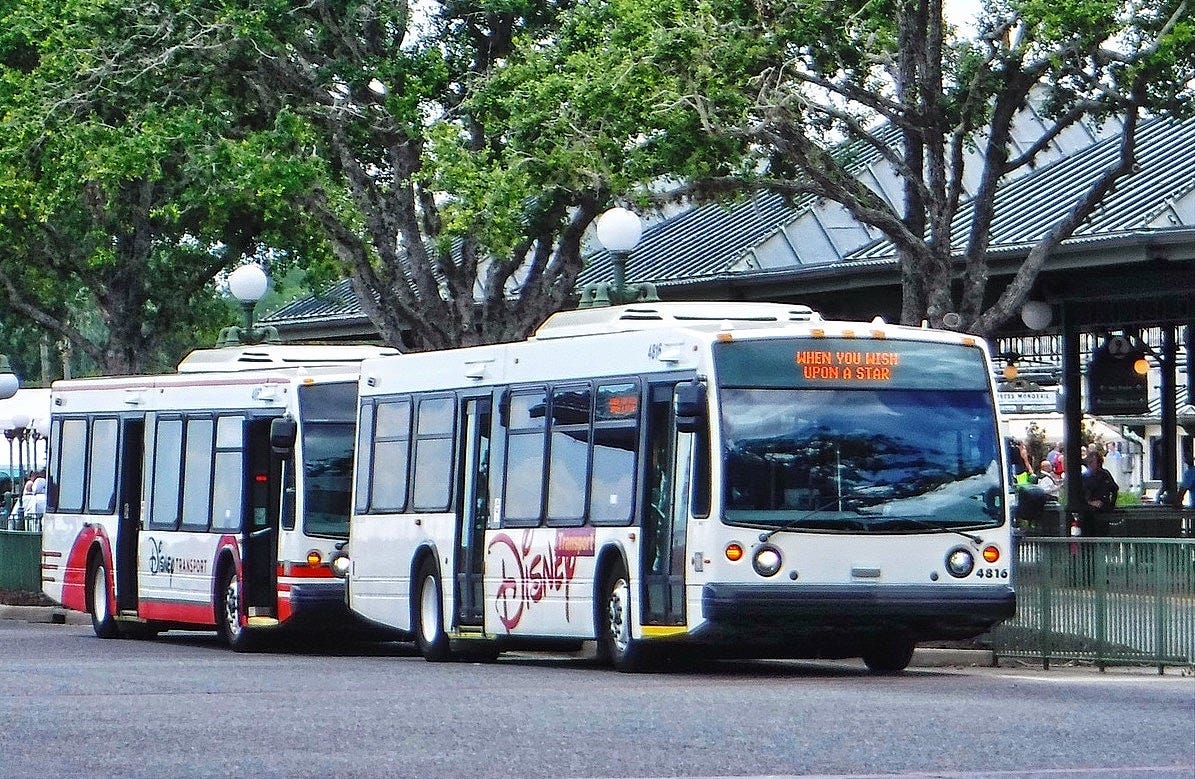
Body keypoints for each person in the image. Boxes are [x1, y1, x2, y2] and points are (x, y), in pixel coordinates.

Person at [1080, 450, 1119, 536]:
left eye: (1099, 463)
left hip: (1104, 511)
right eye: (1096, 463)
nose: (1098, 466)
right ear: (1089, 463)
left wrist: (1111, 505)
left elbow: (1114, 489)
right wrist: (1090, 502)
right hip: (1089, 515)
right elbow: (1079, 496)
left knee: (1103, 534)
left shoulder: (1105, 474)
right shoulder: (1084, 477)